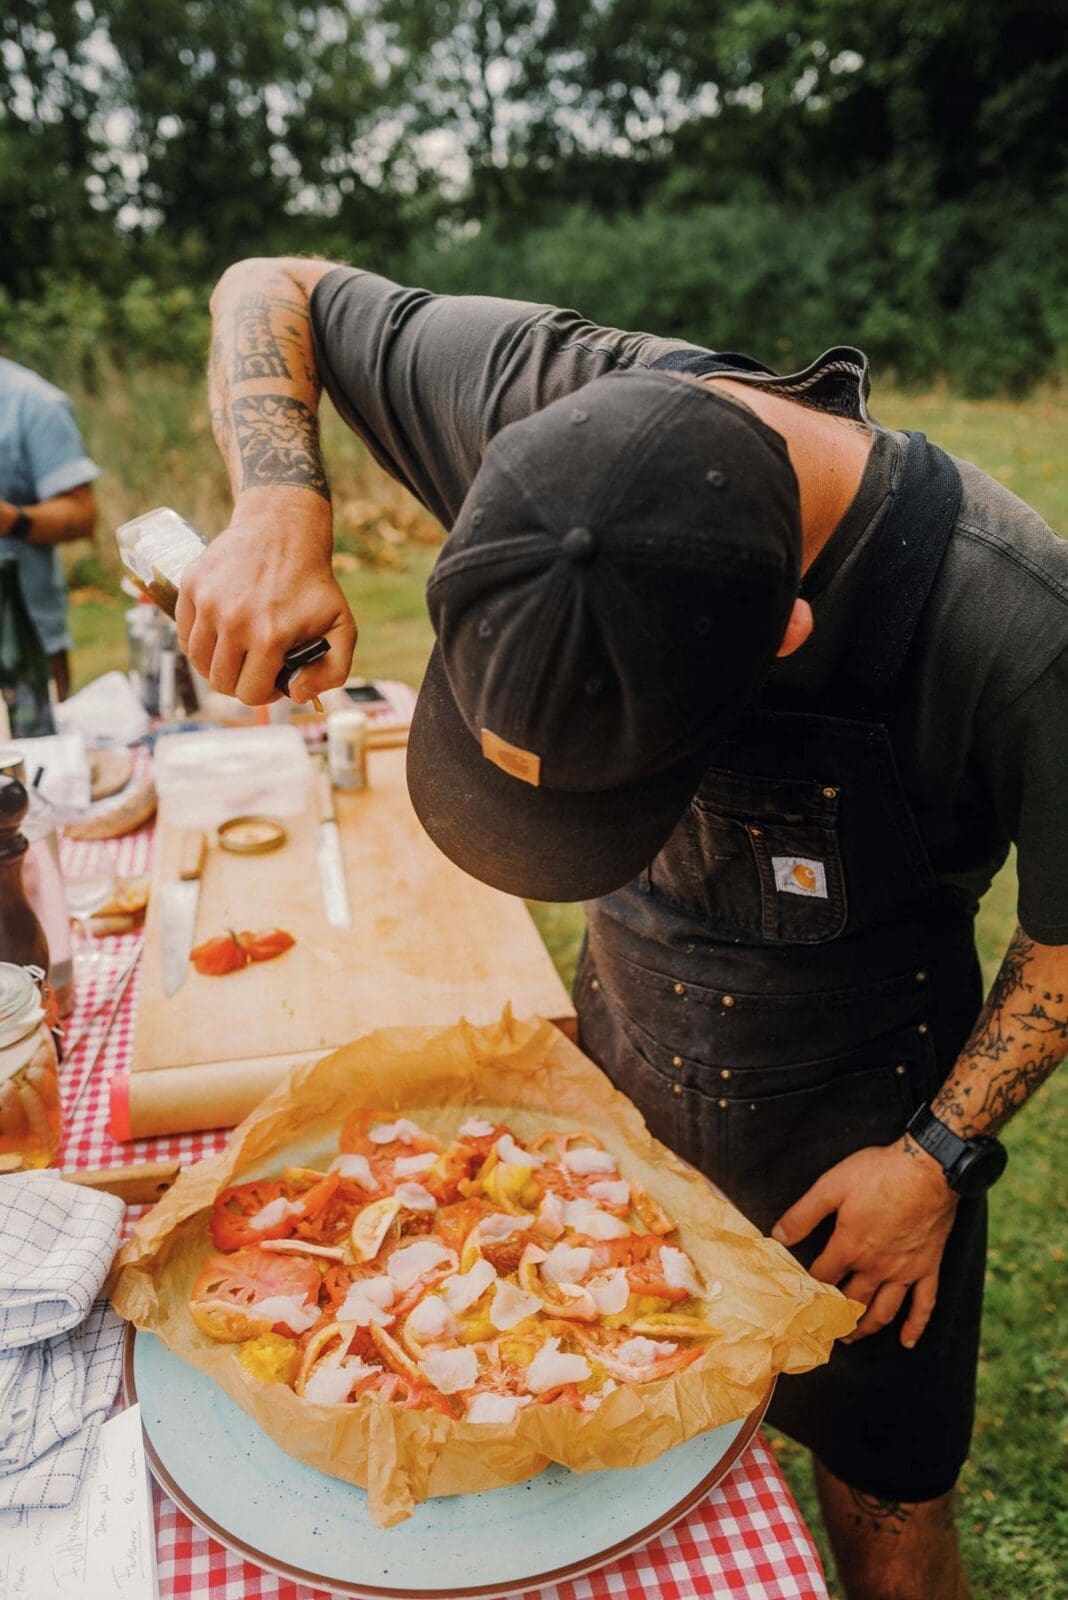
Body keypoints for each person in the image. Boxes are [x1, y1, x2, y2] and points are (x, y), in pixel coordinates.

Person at [179, 256, 1068, 1600]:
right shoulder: (531, 396)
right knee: (594, 1476)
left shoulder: (1014, 627)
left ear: (788, 632)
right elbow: (272, 283)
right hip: (625, 1075)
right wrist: (278, 503)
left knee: (885, 1508)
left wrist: (938, 1160)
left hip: (868, 1131)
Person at [0, 358, 99, 706]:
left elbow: (82, 513)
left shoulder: (33, 402)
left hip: (22, 646)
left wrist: (10, 519)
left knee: (39, 739)